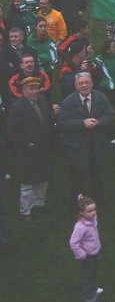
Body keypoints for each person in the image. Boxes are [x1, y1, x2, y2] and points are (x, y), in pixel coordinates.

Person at [58, 73, 115, 205]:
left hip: (96, 145)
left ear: (92, 83)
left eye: (87, 82)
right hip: (77, 147)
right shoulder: (68, 102)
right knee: (77, 178)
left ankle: (99, 202)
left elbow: (110, 114)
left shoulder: (101, 97)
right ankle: (76, 204)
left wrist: (99, 121)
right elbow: (62, 124)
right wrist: (82, 123)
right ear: (75, 85)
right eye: (81, 83)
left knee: (97, 176)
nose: (84, 85)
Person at [7, 77, 56, 221]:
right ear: (24, 90)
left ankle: (40, 202)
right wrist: (27, 144)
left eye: (36, 88)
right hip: (28, 150)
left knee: (43, 178)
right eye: (31, 88)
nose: (35, 91)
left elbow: (46, 119)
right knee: (28, 182)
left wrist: (53, 115)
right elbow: (12, 132)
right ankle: (26, 210)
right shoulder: (17, 107)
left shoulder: (42, 100)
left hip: (43, 147)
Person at [69, 195, 105, 302]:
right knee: (88, 276)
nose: (93, 213)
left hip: (93, 253)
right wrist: (81, 254)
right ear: (81, 213)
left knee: (93, 273)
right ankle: (90, 300)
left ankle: (93, 289)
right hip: (87, 256)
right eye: (89, 211)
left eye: (94, 209)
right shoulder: (80, 227)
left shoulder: (92, 220)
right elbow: (73, 243)